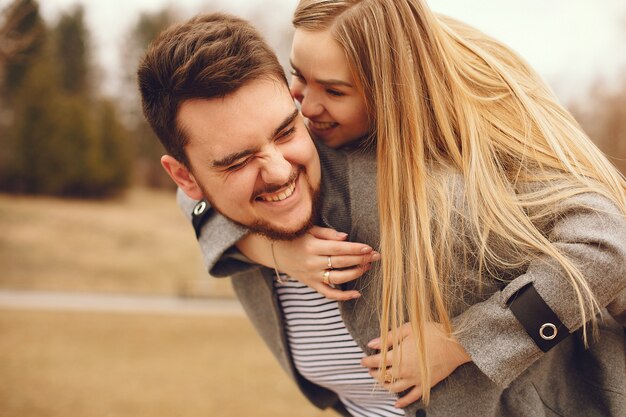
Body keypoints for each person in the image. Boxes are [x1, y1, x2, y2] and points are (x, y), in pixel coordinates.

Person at [139, 4, 626, 417]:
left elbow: (606, 244)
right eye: (237, 161)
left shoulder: (441, 180)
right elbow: (197, 203)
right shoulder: (232, 217)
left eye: (287, 130)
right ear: (186, 174)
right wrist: (270, 250)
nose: (277, 170)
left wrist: (464, 340)